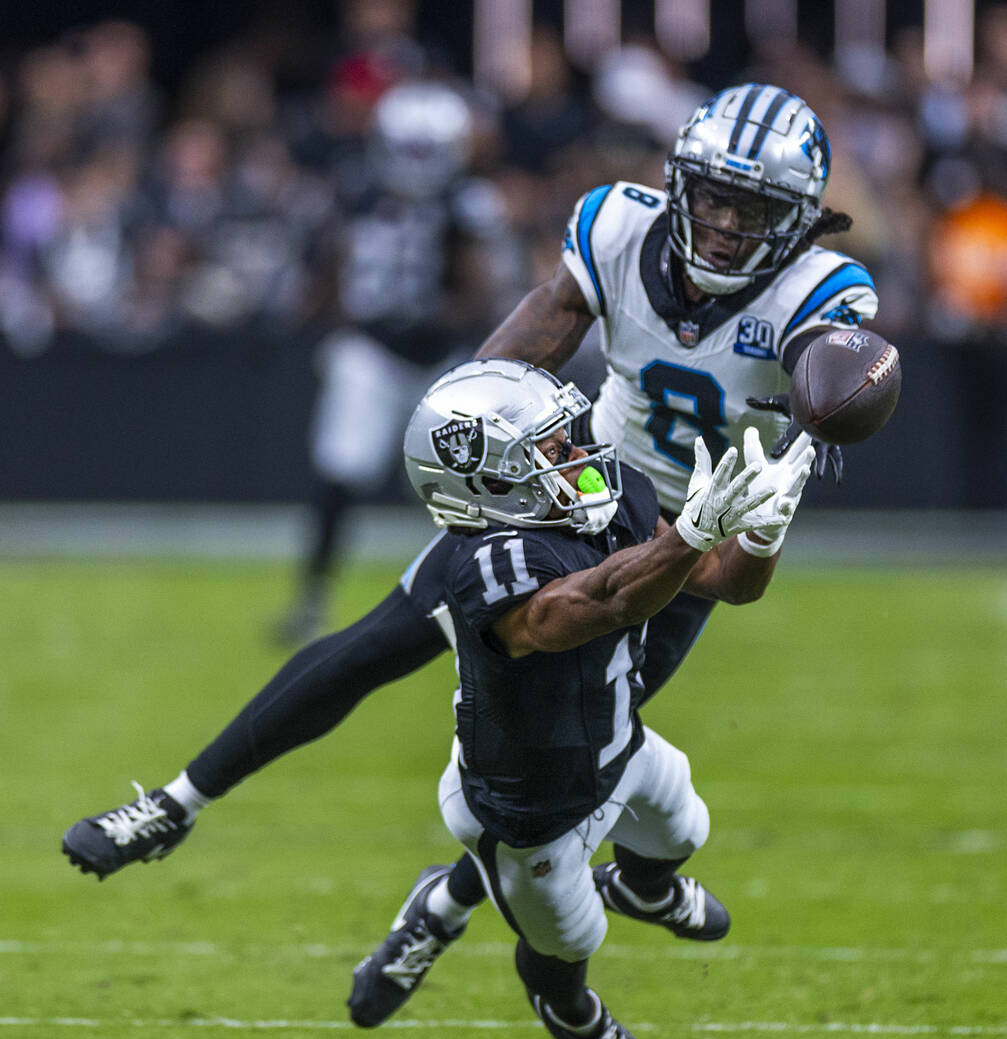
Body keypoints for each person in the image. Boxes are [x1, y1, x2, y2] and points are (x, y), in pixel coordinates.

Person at [62, 84, 878, 923]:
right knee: (377, 641)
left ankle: (459, 904)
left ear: (797, 218)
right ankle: (174, 803)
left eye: (751, 208)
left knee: (560, 762)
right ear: (678, 182)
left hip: (686, 526)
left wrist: (837, 394)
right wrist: (475, 427)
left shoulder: (820, 290)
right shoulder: (617, 226)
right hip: (576, 485)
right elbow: (546, 321)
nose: (722, 224)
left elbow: (753, 539)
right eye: (710, 196)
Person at [348, 358, 814, 1039]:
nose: (574, 453)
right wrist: (686, 535)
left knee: (685, 827)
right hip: (528, 814)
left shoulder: (610, 492)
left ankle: (638, 888)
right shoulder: (484, 564)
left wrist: (758, 533)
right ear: (487, 481)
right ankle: (569, 1011)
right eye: (546, 447)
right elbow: (596, 606)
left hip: (619, 744)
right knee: (566, 945)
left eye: (563, 436)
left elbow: (724, 583)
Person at [272, 78, 513, 643]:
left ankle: (489, 596)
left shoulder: (466, 202)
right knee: (341, 467)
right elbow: (329, 263)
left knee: (467, 484)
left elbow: (483, 284)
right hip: (372, 348)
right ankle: (311, 598)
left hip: (440, 353)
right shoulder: (359, 191)